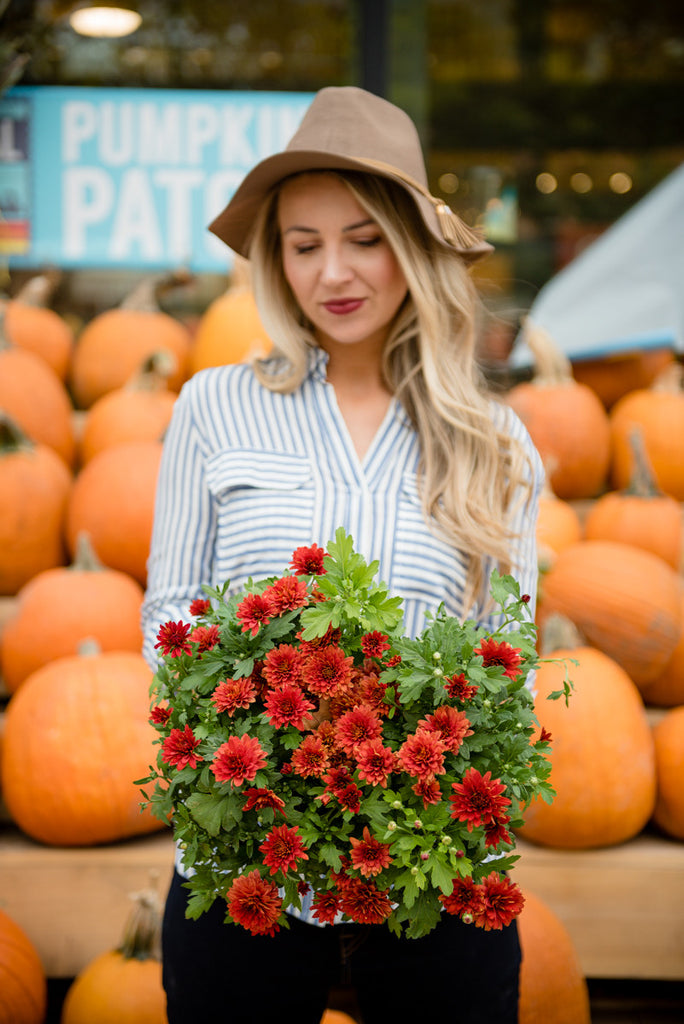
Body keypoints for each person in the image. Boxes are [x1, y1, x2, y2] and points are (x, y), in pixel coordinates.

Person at [142, 85, 543, 1024]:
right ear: (276, 261)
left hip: (431, 867)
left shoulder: (494, 438)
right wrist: (261, 764)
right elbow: (171, 613)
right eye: (304, 242)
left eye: (364, 237)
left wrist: (414, 774)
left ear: (412, 247)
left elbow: (508, 654)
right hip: (248, 860)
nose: (335, 272)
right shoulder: (212, 407)